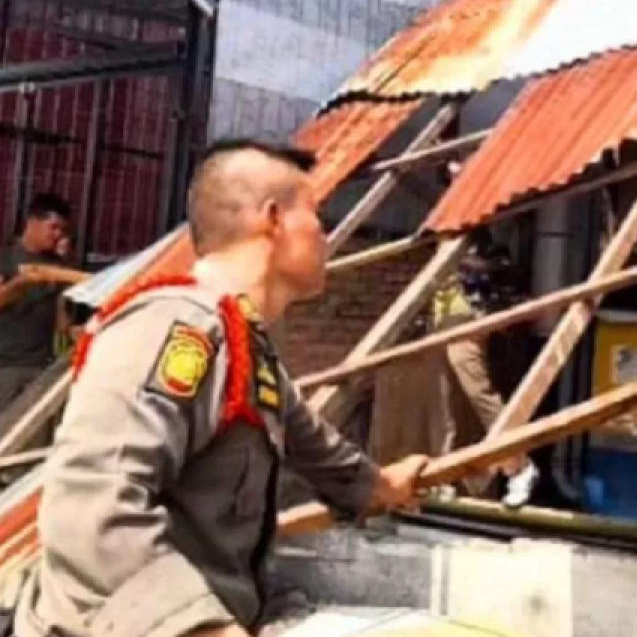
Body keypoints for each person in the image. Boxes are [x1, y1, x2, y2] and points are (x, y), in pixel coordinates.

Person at [15, 139, 429, 637]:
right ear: (273, 219)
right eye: (316, 214)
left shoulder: (244, 345)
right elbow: (94, 512)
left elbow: (317, 450)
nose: (327, 234)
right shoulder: (174, 327)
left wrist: (384, 486)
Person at [429, 229, 539, 507]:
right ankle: (448, 478)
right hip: (443, 330)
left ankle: (519, 466)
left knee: (481, 398)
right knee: (449, 409)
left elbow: (491, 276)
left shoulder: (474, 241)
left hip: (466, 328)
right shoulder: (445, 242)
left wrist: (461, 265)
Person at [0, 194, 73, 409]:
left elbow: (61, 316)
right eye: (54, 227)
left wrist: (72, 334)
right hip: (6, 365)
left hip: (41, 366)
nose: (58, 235)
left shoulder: (58, 266)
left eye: (62, 230)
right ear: (33, 222)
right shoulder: (5, 260)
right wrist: (20, 283)